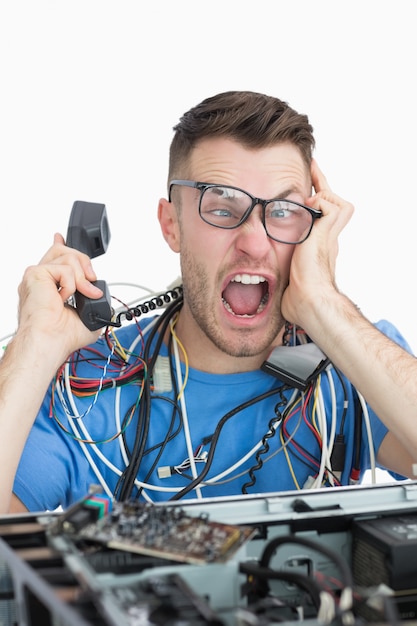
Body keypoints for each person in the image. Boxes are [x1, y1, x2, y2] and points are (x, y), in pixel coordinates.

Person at [1, 90, 417, 515]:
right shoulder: (87, 387)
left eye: (283, 210)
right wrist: (35, 346)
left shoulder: (355, 363)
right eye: (221, 208)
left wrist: (325, 304)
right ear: (171, 226)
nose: (254, 244)